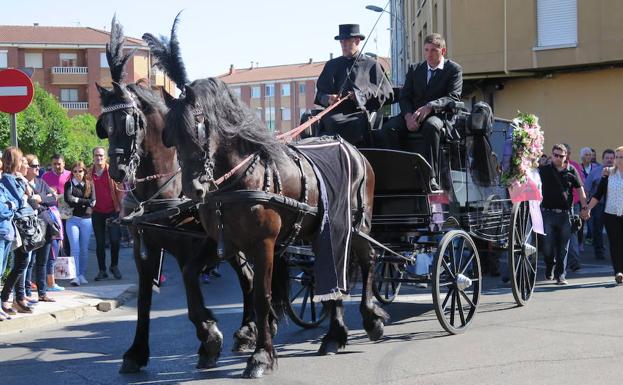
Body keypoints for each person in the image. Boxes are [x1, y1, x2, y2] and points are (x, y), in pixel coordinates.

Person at [381, 33, 462, 191]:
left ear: (443, 51)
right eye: (426, 50)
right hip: (412, 114)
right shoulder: (415, 69)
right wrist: (408, 116)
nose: (429, 54)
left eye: (433, 50)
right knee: (388, 128)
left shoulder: (453, 69)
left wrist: (431, 106)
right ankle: (398, 172)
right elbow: (405, 97)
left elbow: (454, 97)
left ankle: (430, 176)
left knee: (431, 127)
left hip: (438, 115)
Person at [314, 23, 393, 146]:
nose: (343, 45)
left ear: (357, 41)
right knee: (330, 122)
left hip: (360, 113)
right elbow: (320, 94)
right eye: (341, 42)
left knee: (354, 124)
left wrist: (362, 96)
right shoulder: (331, 65)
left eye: (347, 41)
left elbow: (387, 93)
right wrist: (328, 99)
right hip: (335, 114)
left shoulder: (372, 65)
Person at [538, 144, 588, 285]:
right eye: (555, 155)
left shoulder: (572, 171)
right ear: (552, 155)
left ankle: (561, 275)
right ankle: (550, 264)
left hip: (566, 214)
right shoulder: (544, 170)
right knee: (547, 246)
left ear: (566, 156)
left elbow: (580, 190)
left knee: (563, 247)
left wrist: (584, 207)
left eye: (561, 156)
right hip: (548, 213)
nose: (558, 158)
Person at [0, 147, 37, 314]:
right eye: (22, 160)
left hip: (20, 227)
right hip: (16, 227)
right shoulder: (8, 179)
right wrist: (24, 195)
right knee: (19, 264)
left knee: (24, 263)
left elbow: (31, 195)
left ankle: (17, 297)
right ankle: (11, 298)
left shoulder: (18, 179)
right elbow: (19, 201)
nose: (26, 164)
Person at [23, 154, 58, 302]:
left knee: (42, 261)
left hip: (45, 226)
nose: (38, 168)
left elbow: (53, 199)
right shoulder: (24, 183)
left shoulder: (41, 182)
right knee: (29, 261)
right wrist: (40, 201)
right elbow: (30, 203)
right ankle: (26, 292)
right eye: (35, 166)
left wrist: (40, 198)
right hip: (31, 227)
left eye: (38, 166)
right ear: (27, 168)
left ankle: (42, 293)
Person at [586, 146, 623, 283]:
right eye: (617, 157)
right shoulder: (608, 174)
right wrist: (588, 209)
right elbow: (598, 194)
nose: (618, 160)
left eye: (621, 157)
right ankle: (618, 271)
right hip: (611, 214)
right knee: (615, 243)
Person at [91, 147, 123, 281]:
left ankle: (114, 266)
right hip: (96, 212)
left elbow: (120, 190)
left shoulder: (112, 172)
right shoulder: (88, 173)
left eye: (101, 155)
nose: (99, 158)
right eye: (97, 155)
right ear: (93, 157)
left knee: (115, 240)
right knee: (100, 243)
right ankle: (102, 270)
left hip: (112, 211)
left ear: (105, 157)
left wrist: (122, 209)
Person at [41, 153, 71, 292]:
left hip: (68, 215)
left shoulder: (70, 175)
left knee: (67, 245)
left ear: (64, 163)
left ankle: (66, 273)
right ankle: (51, 278)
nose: (57, 166)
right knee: (53, 247)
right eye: (54, 164)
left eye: (59, 163)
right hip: (52, 216)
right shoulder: (45, 177)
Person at [64, 161, 95, 286]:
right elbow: (68, 199)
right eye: (75, 171)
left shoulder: (89, 184)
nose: (77, 174)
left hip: (86, 220)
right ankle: (75, 276)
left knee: (84, 249)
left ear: (84, 171)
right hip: (72, 219)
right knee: (75, 248)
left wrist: (78, 200)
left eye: (80, 171)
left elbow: (92, 202)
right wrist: (84, 201)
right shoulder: (69, 184)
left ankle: (82, 274)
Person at [585, 149, 615, 260]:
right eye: (607, 158)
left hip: (615, 206)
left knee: (616, 230)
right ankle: (599, 252)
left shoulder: (619, 172)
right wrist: (587, 205)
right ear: (603, 159)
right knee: (597, 229)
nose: (609, 160)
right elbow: (587, 188)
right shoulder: (595, 171)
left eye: (611, 158)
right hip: (599, 205)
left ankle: (616, 252)